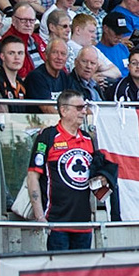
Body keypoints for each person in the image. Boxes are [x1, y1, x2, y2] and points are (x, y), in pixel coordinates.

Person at [26, 90, 117, 251]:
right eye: (79, 108)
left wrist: (103, 178)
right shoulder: (47, 136)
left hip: (83, 224)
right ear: (64, 110)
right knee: (59, 267)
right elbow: (33, 176)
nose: (84, 112)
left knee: (83, 268)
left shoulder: (88, 138)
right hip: (56, 223)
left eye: (85, 107)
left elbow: (95, 173)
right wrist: (40, 216)